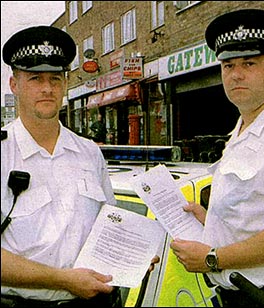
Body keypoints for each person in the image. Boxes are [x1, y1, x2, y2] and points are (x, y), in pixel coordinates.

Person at [1, 25, 159, 308]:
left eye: (55, 79)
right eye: (36, 78)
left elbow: (109, 228)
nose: (47, 88)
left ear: (65, 83)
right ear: (15, 85)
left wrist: (131, 257)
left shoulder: (88, 152)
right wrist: (63, 280)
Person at [170, 9, 264, 307]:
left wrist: (212, 258)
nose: (236, 74)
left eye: (249, 63)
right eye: (228, 65)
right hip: (238, 296)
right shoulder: (242, 128)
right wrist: (211, 221)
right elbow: (253, 210)